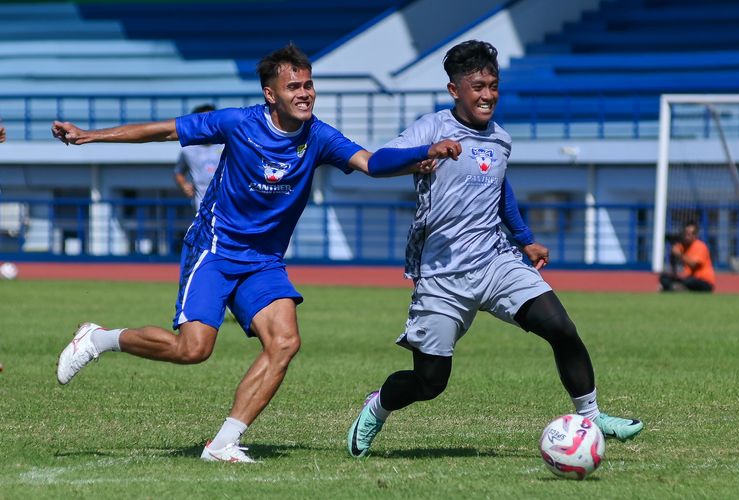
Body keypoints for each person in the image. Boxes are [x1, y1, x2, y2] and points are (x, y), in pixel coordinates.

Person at [51, 43, 460, 463]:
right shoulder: (237, 123)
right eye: (293, 87)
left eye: (309, 85)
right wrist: (89, 136)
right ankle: (99, 338)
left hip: (263, 260)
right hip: (215, 249)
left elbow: (371, 164)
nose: (305, 94)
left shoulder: (318, 136)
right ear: (270, 94)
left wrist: (422, 154)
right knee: (193, 349)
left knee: (284, 342)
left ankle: (224, 442)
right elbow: (165, 130)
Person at [346, 40, 644, 459]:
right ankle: (378, 406)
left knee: (560, 327)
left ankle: (590, 417)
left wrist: (525, 240)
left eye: (493, 85)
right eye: (478, 86)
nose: (487, 95)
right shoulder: (432, 127)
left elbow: (501, 190)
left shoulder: (501, 139)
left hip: (496, 261)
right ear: (455, 91)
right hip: (442, 276)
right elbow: (377, 164)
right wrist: (425, 152)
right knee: (430, 383)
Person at [173, 104, 224, 211]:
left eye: (211, 119)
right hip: (202, 207)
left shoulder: (226, 144)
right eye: (203, 120)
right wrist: (184, 185)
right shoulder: (188, 150)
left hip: (228, 205)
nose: (207, 124)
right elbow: (178, 172)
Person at [659, 221, 715, 292]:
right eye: (685, 233)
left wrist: (679, 255)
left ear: (695, 236)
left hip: (703, 281)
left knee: (689, 281)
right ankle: (675, 288)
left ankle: (676, 288)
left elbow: (693, 265)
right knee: (664, 278)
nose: (686, 236)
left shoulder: (700, 246)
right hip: (688, 278)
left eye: (689, 234)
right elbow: (673, 262)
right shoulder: (682, 246)